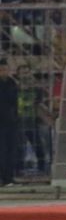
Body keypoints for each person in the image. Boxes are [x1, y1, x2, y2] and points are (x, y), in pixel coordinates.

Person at [0, 58, 18, 186]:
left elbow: (15, 102)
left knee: (10, 150)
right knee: (2, 151)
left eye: (5, 69)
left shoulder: (12, 83)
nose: (4, 72)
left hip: (10, 121)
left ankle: (8, 177)